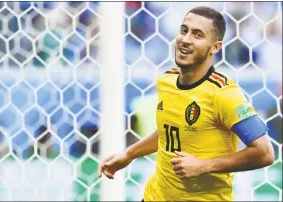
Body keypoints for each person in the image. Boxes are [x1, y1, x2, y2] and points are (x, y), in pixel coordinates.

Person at [98, 6, 274, 201]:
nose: (186, 39)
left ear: (215, 47)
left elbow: (264, 153)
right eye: (184, 30)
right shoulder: (167, 80)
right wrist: (129, 154)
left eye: (198, 35)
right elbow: (170, 131)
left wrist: (203, 165)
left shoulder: (225, 94)